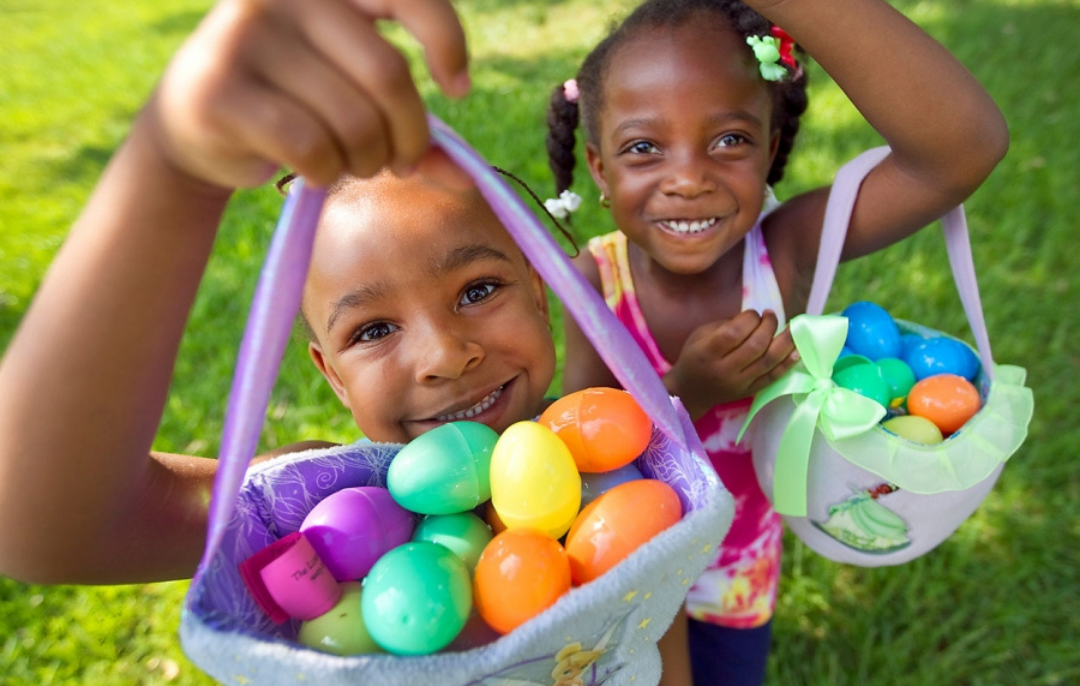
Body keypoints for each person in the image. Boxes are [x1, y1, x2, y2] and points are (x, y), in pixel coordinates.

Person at [0, 0, 563, 587]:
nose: (446, 356)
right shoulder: (325, 507)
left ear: (539, 295)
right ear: (334, 377)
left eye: (477, 290)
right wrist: (173, 167)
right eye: (373, 330)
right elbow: (46, 527)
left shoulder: (627, 445)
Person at [544, 0, 1008, 684]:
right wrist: (687, 393)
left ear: (771, 148)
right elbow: (578, 455)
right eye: (644, 147)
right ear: (600, 168)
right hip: (621, 565)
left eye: (729, 139)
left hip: (735, 572)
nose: (688, 177)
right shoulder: (596, 281)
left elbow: (959, 151)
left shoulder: (785, 251)